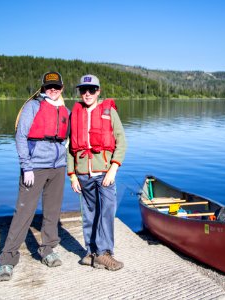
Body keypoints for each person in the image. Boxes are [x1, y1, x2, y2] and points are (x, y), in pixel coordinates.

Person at [0, 71, 70, 282]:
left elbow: (72, 138)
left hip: (58, 168)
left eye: (56, 87)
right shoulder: (33, 106)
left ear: (62, 88)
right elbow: (20, 136)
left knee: (52, 212)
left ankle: (47, 250)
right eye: (49, 87)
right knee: (24, 213)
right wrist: (26, 166)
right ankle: (7, 260)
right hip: (35, 168)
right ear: (43, 88)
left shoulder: (65, 110)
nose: (52, 90)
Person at [68, 74, 127, 271]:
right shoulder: (74, 114)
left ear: (98, 91)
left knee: (107, 211)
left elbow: (122, 143)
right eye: (83, 90)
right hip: (83, 174)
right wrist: (72, 175)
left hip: (105, 173)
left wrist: (113, 169)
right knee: (89, 214)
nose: (87, 94)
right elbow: (70, 149)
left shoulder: (109, 112)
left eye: (91, 90)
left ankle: (105, 253)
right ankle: (91, 252)